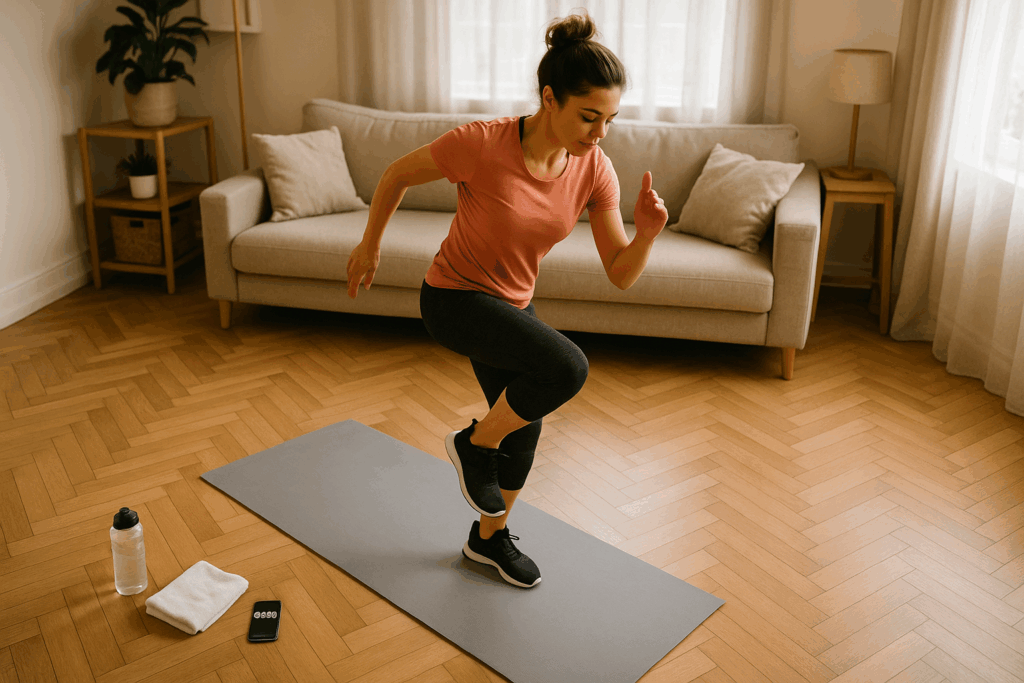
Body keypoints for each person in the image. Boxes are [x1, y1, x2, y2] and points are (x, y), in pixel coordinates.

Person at [346, 10, 668, 589]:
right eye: (588, 116)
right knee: (567, 366)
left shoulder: (595, 168)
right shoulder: (483, 143)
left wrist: (645, 234)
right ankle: (473, 445)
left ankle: (486, 541)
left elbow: (620, 273)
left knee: (528, 423)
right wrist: (370, 245)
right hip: (453, 299)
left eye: (610, 120)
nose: (599, 133)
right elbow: (395, 174)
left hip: (511, 305)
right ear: (550, 98)